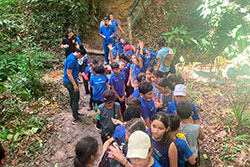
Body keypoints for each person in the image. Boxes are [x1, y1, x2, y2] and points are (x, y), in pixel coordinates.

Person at [176, 101, 205, 167]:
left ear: (177, 113)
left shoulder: (177, 128)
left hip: (181, 156)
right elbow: (202, 137)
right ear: (192, 113)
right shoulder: (197, 127)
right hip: (193, 155)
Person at [63, 45, 86, 124]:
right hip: (69, 82)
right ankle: (75, 117)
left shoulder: (72, 57)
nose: (81, 57)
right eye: (81, 56)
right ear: (79, 53)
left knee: (74, 97)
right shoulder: (72, 60)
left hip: (71, 80)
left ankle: (75, 112)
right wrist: (75, 85)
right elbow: (69, 73)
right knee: (75, 98)